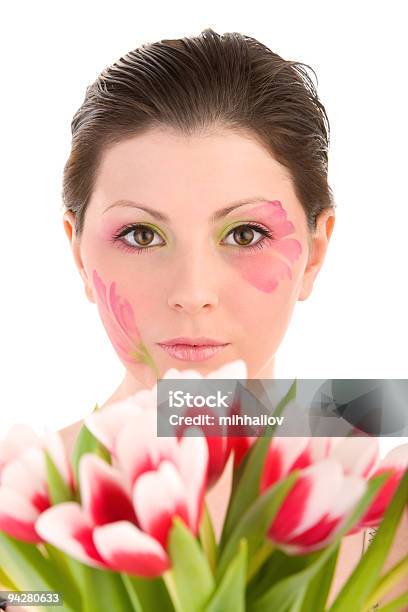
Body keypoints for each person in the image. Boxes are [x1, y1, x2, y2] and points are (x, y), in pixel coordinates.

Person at [59, 28, 407, 608]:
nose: (192, 293)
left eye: (245, 233)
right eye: (141, 234)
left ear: (315, 253)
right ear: (78, 253)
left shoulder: (385, 508)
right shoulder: (16, 514)